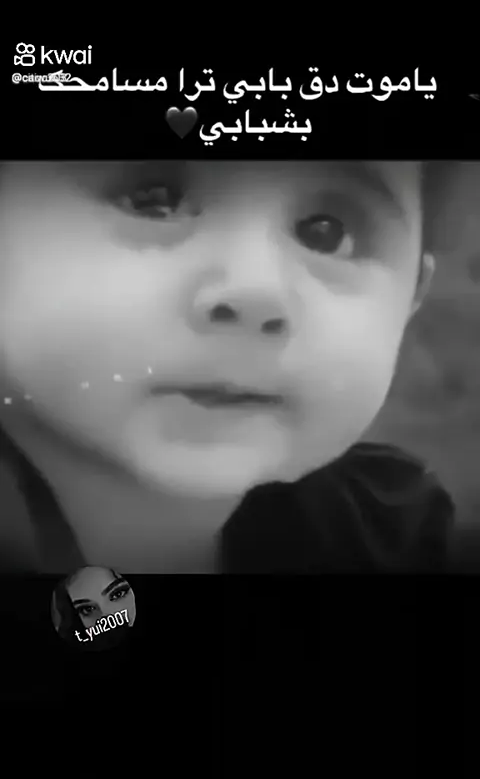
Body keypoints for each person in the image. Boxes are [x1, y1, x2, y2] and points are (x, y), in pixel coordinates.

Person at [0, 160, 457, 573]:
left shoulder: (381, 534)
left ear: (411, 299)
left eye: (327, 234)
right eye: (152, 202)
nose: (256, 291)